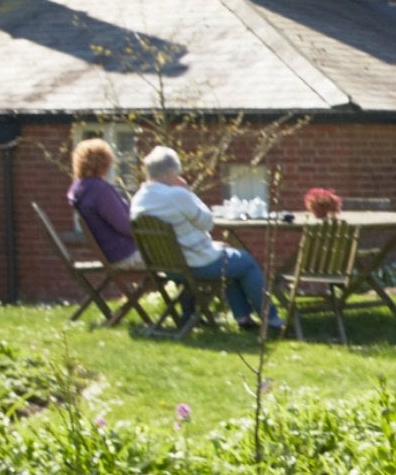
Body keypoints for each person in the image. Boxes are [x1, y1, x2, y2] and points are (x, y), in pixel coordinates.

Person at [130, 146, 276, 331]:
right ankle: (270, 319)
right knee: (246, 262)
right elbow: (207, 222)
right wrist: (188, 192)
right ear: (168, 173)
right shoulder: (177, 195)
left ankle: (244, 318)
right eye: (176, 173)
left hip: (167, 266)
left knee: (230, 259)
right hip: (196, 263)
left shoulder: (139, 199)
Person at [64, 139, 148, 273]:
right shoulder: (99, 190)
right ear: (105, 162)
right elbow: (124, 225)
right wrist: (148, 235)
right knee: (178, 257)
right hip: (124, 253)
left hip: (110, 253)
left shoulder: (81, 189)